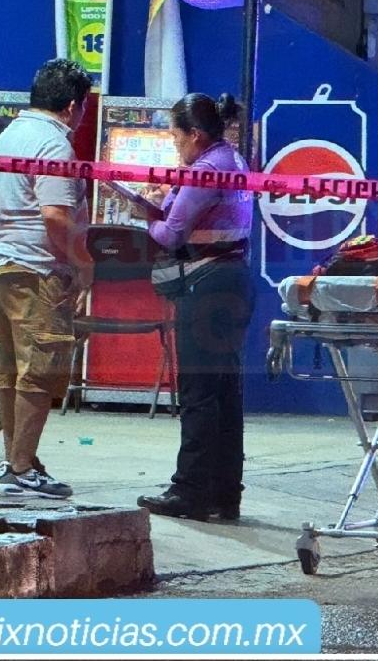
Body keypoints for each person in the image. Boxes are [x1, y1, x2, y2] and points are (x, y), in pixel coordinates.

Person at [0, 58, 95, 498]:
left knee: (10, 369)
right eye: (83, 107)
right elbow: (55, 218)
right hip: (35, 270)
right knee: (41, 371)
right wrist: (83, 263)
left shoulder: (10, 134)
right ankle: (21, 467)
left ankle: (16, 461)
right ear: (71, 105)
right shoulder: (54, 145)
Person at [136, 93, 255, 521]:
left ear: (195, 135)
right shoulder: (232, 160)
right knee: (224, 394)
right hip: (233, 281)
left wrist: (141, 214)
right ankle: (225, 493)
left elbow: (169, 235)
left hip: (207, 287)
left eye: (175, 137)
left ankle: (189, 492)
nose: (174, 145)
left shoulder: (206, 169)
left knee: (199, 394)